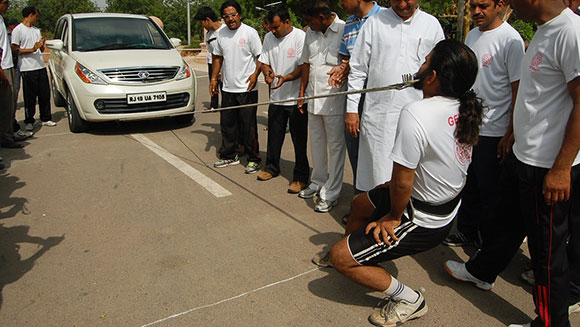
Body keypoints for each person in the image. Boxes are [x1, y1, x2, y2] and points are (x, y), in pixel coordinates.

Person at [329, 39, 482, 327]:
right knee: (360, 202)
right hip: (436, 202)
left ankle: (410, 299)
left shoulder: (417, 113)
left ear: (433, 77)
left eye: (424, 63)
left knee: (340, 258)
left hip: (423, 217)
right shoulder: (464, 102)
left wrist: (393, 217)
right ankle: (355, 247)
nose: (419, 68)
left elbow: (402, 181)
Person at [501, 1, 579, 326]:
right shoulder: (545, 30)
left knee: (548, 257)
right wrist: (514, 132)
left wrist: (561, 169)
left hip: (548, 168)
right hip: (530, 158)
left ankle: (550, 323)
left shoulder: (570, 32)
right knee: (543, 250)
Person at [442, 0, 524, 247]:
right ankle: (466, 231)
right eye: (473, 6)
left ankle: (485, 245)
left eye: (483, 6)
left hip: (495, 131)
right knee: (470, 185)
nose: (476, 12)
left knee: (491, 193)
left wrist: (510, 132)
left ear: (499, 5)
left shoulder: (511, 40)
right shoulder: (472, 35)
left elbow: (518, 89)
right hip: (469, 126)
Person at [347, 0, 444, 194]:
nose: (401, 4)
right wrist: (351, 109)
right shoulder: (374, 23)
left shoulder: (431, 24)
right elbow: (357, 69)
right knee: (378, 172)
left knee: (412, 172)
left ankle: (404, 218)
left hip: (419, 114)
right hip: (380, 115)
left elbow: (441, 69)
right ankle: (375, 216)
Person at [297, 0, 346, 213]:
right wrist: (302, 92)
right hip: (313, 97)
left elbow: (351, 63)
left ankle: (331, 193)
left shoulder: (344, 29)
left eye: (310, 21)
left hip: (334, 99)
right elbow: (306, 63)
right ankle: (317, 181)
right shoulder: (311, 32)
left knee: (335, 147)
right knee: (316, 142)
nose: (307, 25)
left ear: (323, 18)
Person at [255, 7, 310, 194]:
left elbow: (304, 68)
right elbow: (264, 61)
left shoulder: (300, 38)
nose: (273, 31)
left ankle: (301, 177)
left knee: (299, 140)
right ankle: (271, 167)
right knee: (274, 136)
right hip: (276, 98)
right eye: (271, 27)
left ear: (287, 23)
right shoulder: (270, 37)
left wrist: (285, 78)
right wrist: (267, 72)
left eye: (276, 27)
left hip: (297, 99)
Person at [329, 0, 381, 196]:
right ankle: (361, 201)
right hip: (355, 93)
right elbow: (349, 60)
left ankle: (382, 204)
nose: (340, 3)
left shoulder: (384, 18)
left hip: (378, 93)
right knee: (355, 147)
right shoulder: (349, 23)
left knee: (377, 152)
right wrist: (342, 70)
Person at [210, 0, 262, 174]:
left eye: (233, 15)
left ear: (239, 15)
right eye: (226, 16)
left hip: (247, 88)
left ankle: (254, 158)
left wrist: (255, 76)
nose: (230, 19)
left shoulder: (250, 33)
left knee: (248, 126)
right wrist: (212, 79)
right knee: (227, 124)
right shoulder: (221, 34)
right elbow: (217, 57)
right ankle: (229, 155)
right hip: (228, 87)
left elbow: (260, 57)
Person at [11, 6, 56, 131]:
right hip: (27, 67)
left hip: (40, 65)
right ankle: (29, 120)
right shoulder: (18, 30)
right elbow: (15, 48)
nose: (37, 19)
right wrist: (31, 49)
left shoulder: (36, 30)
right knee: (30, 96)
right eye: (36, 16)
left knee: (44, 94)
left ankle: (46, 117)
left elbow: (40, 49)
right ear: (30, 15)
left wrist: (41, 45)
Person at [0, 0, 23, 149]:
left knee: (10, 103)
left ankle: (8, 133)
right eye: (5, 2)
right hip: (3, 67)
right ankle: (5, 137)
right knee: (5, 105)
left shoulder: (2, 19)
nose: (8, 6)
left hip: (8, 65)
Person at [194, 6, 224, 110]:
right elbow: (211, 52)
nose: (202, 26)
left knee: (224, 88)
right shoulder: (209, 34)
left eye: (201, 23)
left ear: (207, 20)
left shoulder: (225, 31)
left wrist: (220, 69)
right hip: (212, 63)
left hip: (224, 65)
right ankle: (213, 105)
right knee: (213, 85)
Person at [7, 18, 32, 140]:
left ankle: (12, 128)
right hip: (7, 67)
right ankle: (12, 129)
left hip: (14, 65)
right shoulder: (8, 36)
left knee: (13, 97)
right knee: (9, 99)